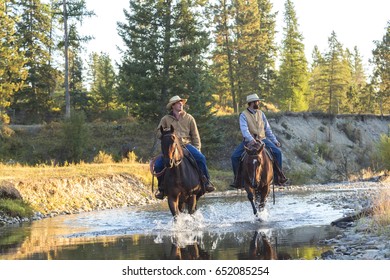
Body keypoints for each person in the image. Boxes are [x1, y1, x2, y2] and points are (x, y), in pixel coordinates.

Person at [154, 95, 215, 199]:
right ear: (173, 106)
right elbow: (158, 133)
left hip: (186, 146)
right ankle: (162, 189)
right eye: (178, 103)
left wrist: (197, 149)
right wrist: (166, 134)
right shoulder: (165, 119)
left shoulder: (189, 118)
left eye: (181, 102)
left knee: (201, 158)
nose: (181, 104)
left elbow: (195, 135)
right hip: (171, 147)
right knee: (158, 164)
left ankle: (206, 182)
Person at [231, 93, 288, 187]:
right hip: (248, 141)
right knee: (234, 157)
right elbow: (244, 130)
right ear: (252, 102)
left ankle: (279, 177)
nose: (258, 103)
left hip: (263, 139)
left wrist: (274, 141)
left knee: (277, 152)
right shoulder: (243, 115)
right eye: (257, 101)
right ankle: (238, 180)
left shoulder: (261, 114)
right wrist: (251, 139)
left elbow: (268, 129)